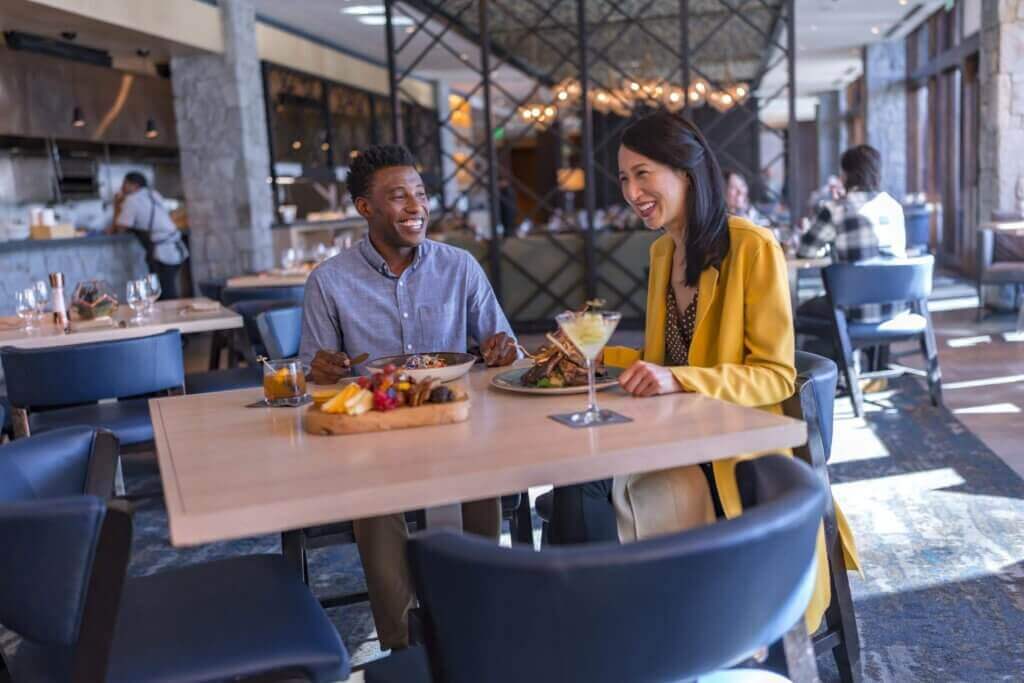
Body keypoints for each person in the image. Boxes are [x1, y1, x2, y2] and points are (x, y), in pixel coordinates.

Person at [548, 111, 859, 634]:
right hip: (678, 436)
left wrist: (680, 380)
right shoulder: (662, 252)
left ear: (686, 172)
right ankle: (606, 629)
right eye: (624, 179)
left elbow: (774, 375)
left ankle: (618, 631)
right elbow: (667, 362)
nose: (631, 191)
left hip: (736, 453)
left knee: (583, 489)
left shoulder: (752, 247)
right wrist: (599, 356)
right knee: (574, 475)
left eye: (643, 173)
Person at [299, 144, 519, 651]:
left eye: (420, 194)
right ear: (365, 207)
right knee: (373, 500)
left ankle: (477, 617)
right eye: (398, 196)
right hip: (374, 429)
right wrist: (323, 369)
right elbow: (317, 375)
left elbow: (503, 349)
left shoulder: (459, 266)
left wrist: (501, 349)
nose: (415, 206)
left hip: (451, 419)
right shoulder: (328, 282)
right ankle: (403, 644)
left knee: (482, 474)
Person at [797, 144, 907, 323]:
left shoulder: (835, 209)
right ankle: (865, 349)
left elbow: (805, 251)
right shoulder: (893, 207)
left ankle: (832, 350)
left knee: (799, 311)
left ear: (845, 175)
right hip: (895, 308)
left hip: (853, 311)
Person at [110, 172, 188, 299]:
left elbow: (120, 228)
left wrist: (116, 204)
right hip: (176, 247)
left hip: (164, 251)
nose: (122, 187)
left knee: (165, 292)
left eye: (125, 184)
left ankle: (170, 318)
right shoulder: (153, 194)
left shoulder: (132, 200)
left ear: (134, 185)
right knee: (166, 289)